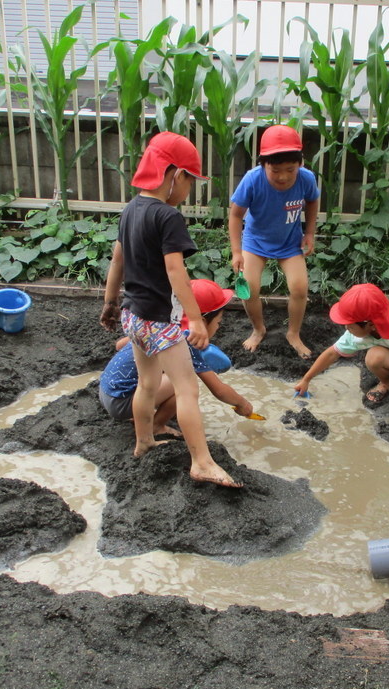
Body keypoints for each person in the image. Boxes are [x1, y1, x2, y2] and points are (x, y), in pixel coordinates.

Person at [100, 132, 241, 488]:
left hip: (132, 316)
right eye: (190, 182)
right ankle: (202, 462)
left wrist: (109, 302)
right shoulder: (168, 216)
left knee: (147, 384)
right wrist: (195, 318)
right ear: (176, 174)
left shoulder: (130, 209)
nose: (188, 191)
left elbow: (118, 258)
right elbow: (176, 271)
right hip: (159, 321)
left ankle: (144, 440)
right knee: (187, 388)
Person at [100, 278, 256, 435]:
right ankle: (156, 426)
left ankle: (147, 412)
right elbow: (219, 390)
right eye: (218, 322)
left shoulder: (160, 324)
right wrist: (243, 404)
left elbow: (119, 345)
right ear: (201, 321)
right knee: (185, 383)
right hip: (121, 403)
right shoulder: (188, 341)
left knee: (165, 370)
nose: (218, 327)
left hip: (106, 390)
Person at [229, 124, 320, 359]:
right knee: (249, 290)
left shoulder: (306, 178)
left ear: (300, 163)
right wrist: (237, 252)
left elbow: (312, 201)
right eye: (276, 170)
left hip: (290, 243)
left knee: (299, 288)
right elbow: (235, 214)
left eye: (290, 169)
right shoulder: (252, 180)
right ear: (263, 165)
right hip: (255, 242)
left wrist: (309, 233)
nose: (283, 176)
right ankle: (258, 329)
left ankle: (293, 333)